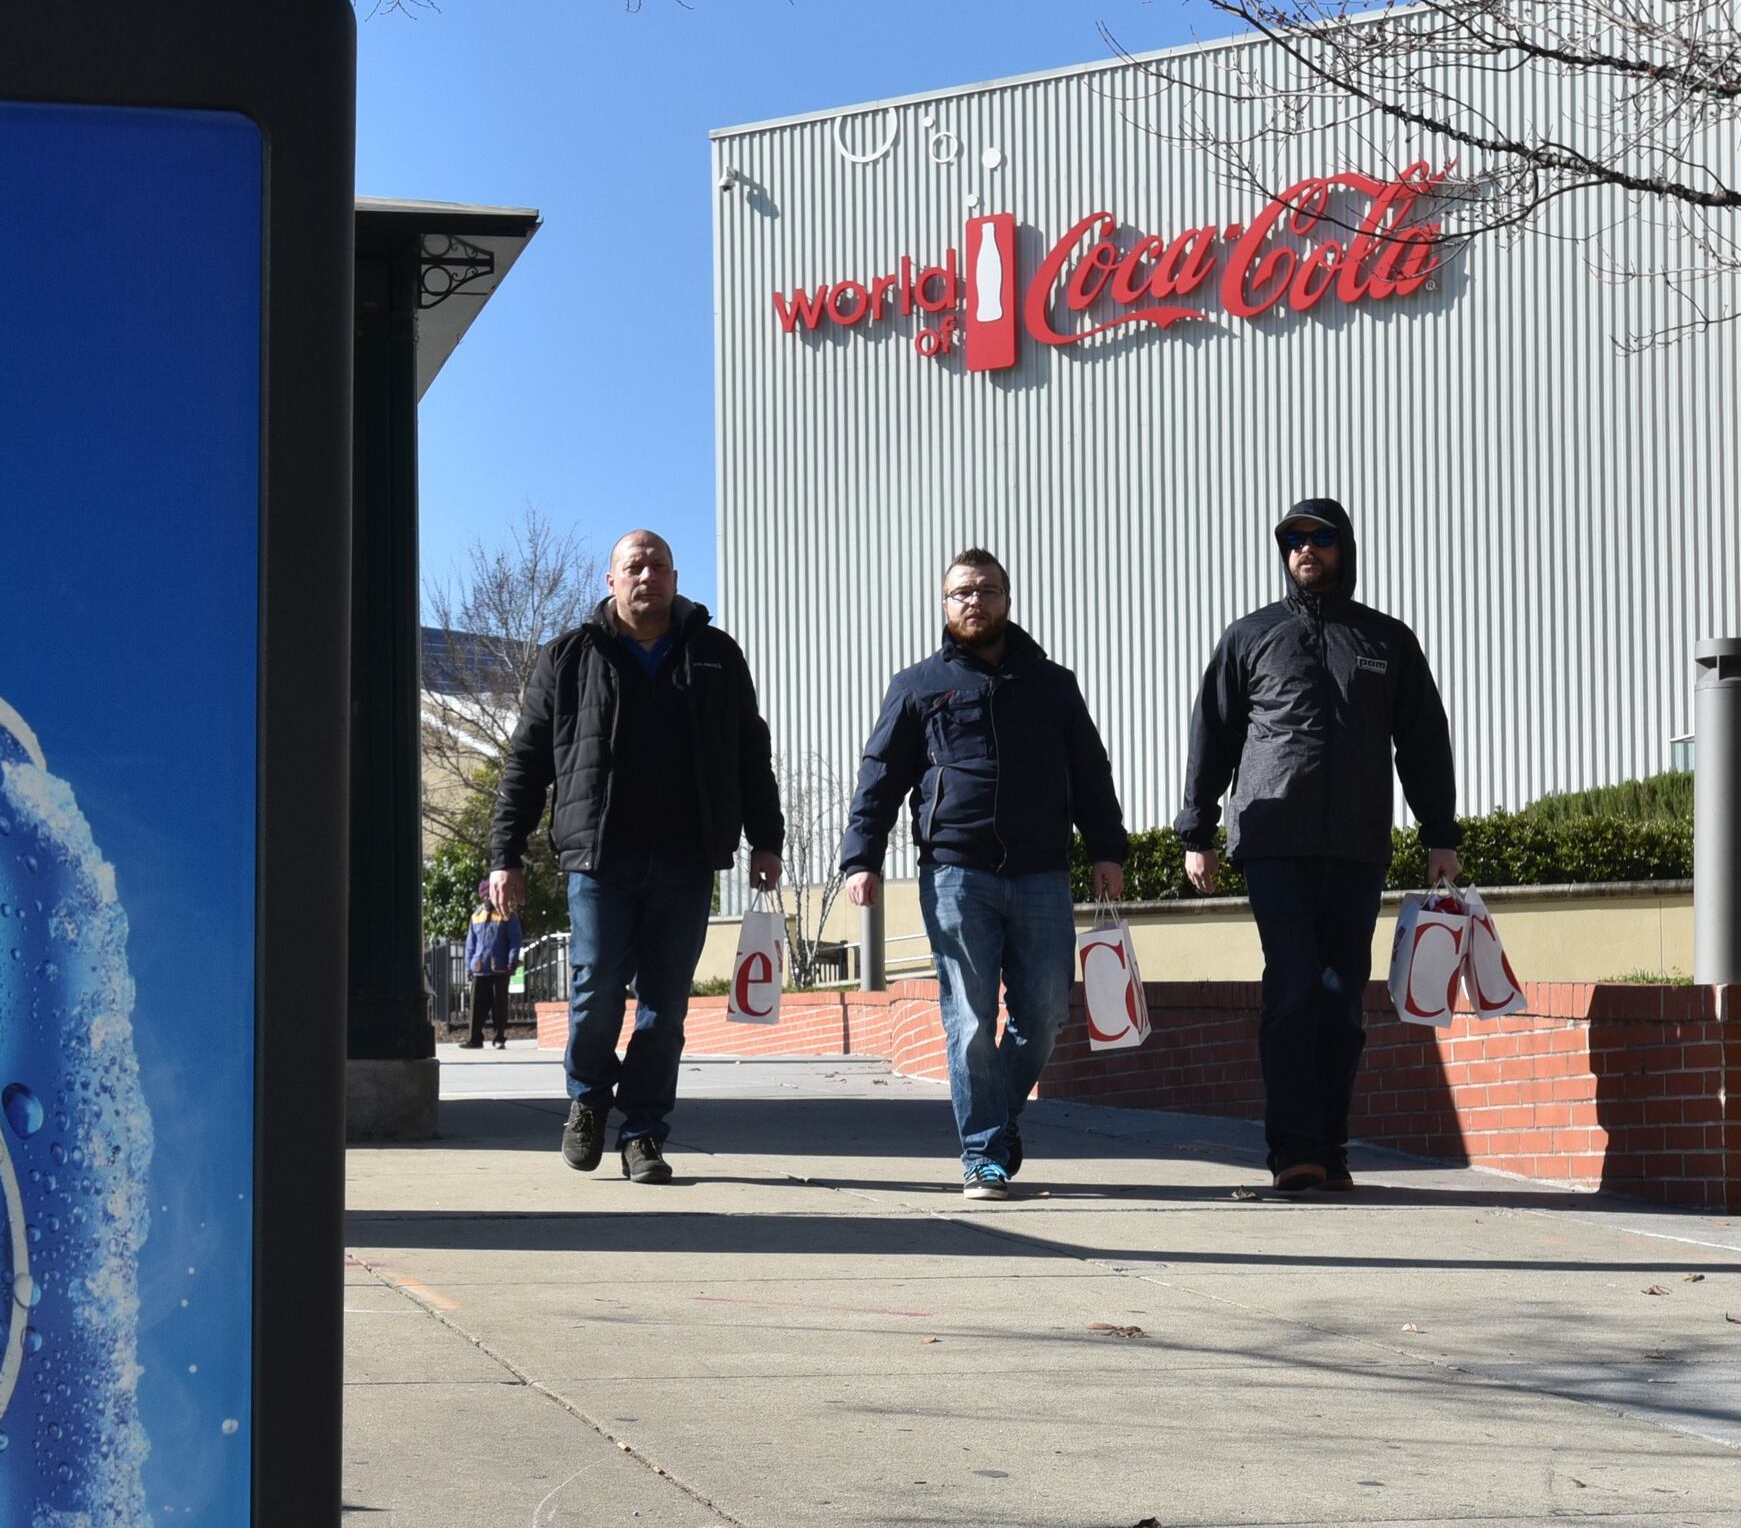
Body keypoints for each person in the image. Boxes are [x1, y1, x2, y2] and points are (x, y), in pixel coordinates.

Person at [1176, 497, 1462, 1193]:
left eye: (1321, 538)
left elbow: (1423, 741)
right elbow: (1211, 732)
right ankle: (1292, 1147)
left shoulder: (1386, 640)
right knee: (1295, 982)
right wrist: (1196, 830)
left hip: (1358, 845)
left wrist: (1440, 834)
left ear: (1344, 547)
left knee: (1340, 998)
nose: (1307, 550)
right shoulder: (1251, 637)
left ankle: (1330, 1145)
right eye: (1294, 540)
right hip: (1274, 842)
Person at [485, 529, 785, 1181]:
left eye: (657, 565)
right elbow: (527, 761)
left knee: (665, 1007)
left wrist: (768, 839)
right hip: (600, 858)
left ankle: (644, 1131)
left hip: (686, 859)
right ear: (610, 579)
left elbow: (748, 752)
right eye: (633, 566)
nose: (645, 575)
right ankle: (589, 1097)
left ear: (675, 578)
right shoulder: (568, 657)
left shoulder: (715, 655)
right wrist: (504, 851)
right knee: (594, 992)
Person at [839, 547, 1130, 1200]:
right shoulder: (917, 684)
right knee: (968, 1018)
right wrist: (862, 856)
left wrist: (1107, 848)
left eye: (987, 590)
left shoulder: (1053, 684)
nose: (974, 601)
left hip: (1041, 874)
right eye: (961, 592)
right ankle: (982, 1154)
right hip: (955, 873)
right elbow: (879, 777)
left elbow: (1090, 770)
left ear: (1007, 596)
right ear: (945, 605)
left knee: (1049, 1012)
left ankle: (998, 1117)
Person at [459, 889, 522, 1049]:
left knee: (499, 1005)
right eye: (485, 895)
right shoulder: (476, 915)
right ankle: (475, 1038)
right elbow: (470, 944)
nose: (487, 898)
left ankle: (499, 1037)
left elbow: (515, 940)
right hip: (479, 968)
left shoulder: (507, 914)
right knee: (476, 1006)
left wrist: (512, 960)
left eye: (489, 895)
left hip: (499, 967)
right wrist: (469, 965)